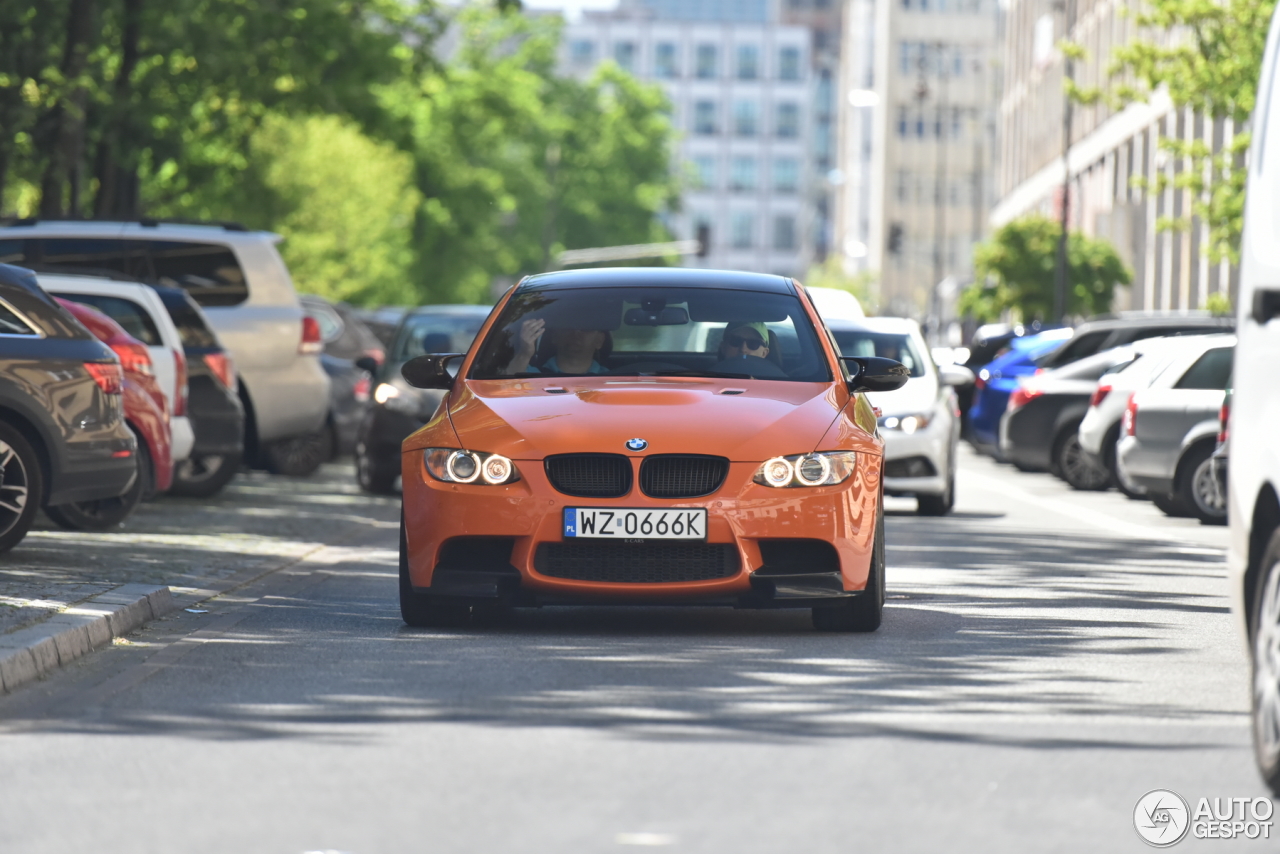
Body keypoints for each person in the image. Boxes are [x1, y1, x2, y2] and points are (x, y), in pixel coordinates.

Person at [505, 318, 608, 375]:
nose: (576, 333)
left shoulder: (614, 380)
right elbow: (505, 387)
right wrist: (525, 353)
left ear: (599, 340)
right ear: (554, 336)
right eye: (568, 327)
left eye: (586, 328)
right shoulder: (532, 373)